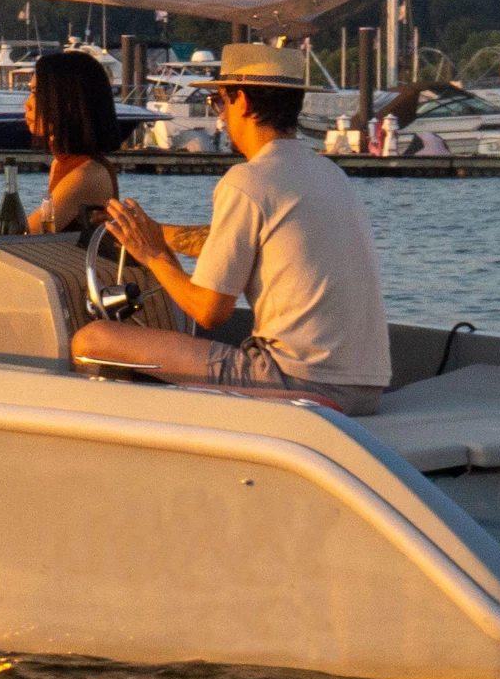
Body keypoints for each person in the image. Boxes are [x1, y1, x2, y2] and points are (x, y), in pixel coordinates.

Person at [84, 39, 389, 414]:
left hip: (295, 381)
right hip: (365, 392)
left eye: (219, 102)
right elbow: (236, 242)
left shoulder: (247, 180)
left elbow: (210, 312)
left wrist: (152, 254)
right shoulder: (329, 174)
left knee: (92, 338)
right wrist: (150, 230)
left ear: (241, 101)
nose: (220, 117)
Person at [21, 49, 125, 235]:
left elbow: (27, 236)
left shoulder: (86, 175)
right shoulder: (63, 163)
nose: (27, 104)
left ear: (66, 102)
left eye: (35, 94)